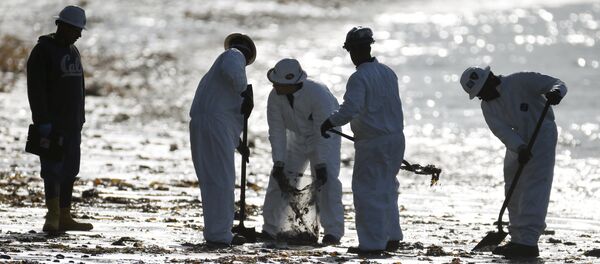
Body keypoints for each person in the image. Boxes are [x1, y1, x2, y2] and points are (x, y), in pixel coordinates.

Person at [460, 66, 567, 259]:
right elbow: (502, 131)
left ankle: (528, 242)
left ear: (491, 79)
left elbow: (557, 83)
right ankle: (517, 237)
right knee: (512, 186)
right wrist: (519, 147)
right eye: (478, 95)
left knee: (534, 187)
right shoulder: (487, 105)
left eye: (483, 91)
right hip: (517, 142)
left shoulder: (521, 81)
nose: (482, 97)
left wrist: (556, 93)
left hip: (542, 136)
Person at [320, 26, 405, 254]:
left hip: (372, 143)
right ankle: (392, 236)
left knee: (367, 191)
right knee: (387, 187)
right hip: (396, 139)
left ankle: (371, 244)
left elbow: (350, 109)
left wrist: (330, 122)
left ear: (353, 51)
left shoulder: (358, 77)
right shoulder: (388, 72)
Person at [262, 58, 344, 245]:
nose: (275, 86)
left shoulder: (318, 94)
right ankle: (270, 228)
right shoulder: (274, 96)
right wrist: (278, 161)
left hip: (325, 137)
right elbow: (276, 131)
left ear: (294, 84)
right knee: (279, 178)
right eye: (275, 82)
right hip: (297, 138)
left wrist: (321, 162)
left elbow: (323, 131)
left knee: (327, 181)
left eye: (279, 84)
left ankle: (333, 231)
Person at [26, 5, 92, 233]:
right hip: (51, 124)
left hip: (73, 124)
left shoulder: (73, 50)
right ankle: (52, 215)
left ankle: (65, 214)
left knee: (71, 169)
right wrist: (41, 120)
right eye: (76, 29)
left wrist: (81, 117)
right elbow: (36, 90)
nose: (79, 34)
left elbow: (79, 88)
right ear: (61, 25)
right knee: (52, 169)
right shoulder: (42, 51)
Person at [189, 33, 256, 247]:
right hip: (214, 126)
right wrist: (245, 92)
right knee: (221, 180)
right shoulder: (233, 56)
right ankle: (220, 234)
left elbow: (223, 112)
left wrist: (239, 144)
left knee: (212, 179)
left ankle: (216, 230)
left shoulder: (214, 77)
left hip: (205, 125)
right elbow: (234, 75)